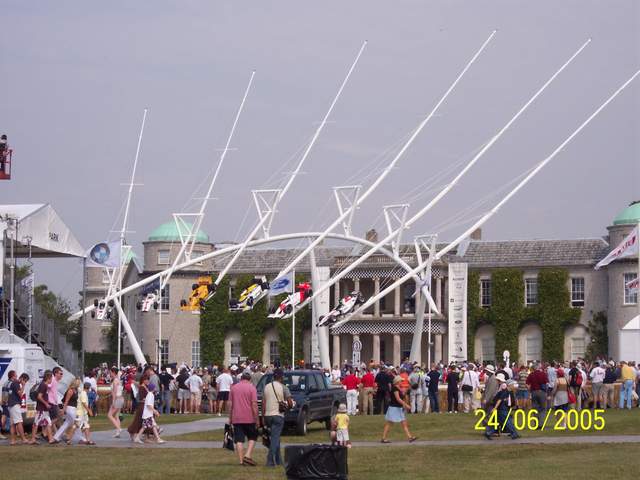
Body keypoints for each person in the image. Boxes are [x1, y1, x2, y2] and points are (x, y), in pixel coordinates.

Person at [262, 369, 293, 467]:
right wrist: (289, 407)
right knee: (275, 439)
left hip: (268, 415)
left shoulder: (266, 386)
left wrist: (263, 416)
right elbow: (290, 402)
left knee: (276, 437)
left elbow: (263, 403)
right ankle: (270, 460)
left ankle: (278, 460)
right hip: (278, 415)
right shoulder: (283, 387)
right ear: (282, 377)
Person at [228, 371, 259, 466]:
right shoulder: (252, 388)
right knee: (253, 437)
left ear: (241, 378)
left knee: (239, 440)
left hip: (237, 417)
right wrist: (257, 418)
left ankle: (241, 461)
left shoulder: (234, 388)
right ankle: (247, 455)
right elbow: (254, 404)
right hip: (249, 417)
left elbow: (230, 404)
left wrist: (230, 417)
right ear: (250, 379)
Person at [380, 376, 416, 443]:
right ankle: (383, 438)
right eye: (401, 381)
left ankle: (410, 437)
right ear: (397, 381)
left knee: (404, 423)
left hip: (399, 408)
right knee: (389, 423)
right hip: (394, 408)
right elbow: (398, 399)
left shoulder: (398, 388)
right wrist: (406, 405)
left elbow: (402, 396)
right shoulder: (395, 388)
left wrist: (407, 390)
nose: (401, 382)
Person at [484, 374, 519, 440]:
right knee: (507, 421)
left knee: (498, 422)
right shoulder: (505, 392)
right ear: (510, 385)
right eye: (513, 385)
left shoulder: (508, 391)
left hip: (501, 409)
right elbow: (499, 400)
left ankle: (488, 433)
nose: (514, 386)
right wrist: (495, 408)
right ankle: (514, 433)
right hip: (502, 409)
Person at [7, 372, 32, 445]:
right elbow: (20, 394)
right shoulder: (16, 383)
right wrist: (23, 386)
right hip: (15, 405)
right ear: (22, 378)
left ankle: (12, 440)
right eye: (25, 381)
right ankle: (23, 439)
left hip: (11, 405)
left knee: (13, 424)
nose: (25, 382)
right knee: (19, 422)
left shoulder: (12, 383)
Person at [53, 379, 81, 444]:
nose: (79, 384)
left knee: (66, 424)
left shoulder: (76, 390)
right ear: (75, 383)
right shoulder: (70, 391)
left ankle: (56, 437)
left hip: (74, 409)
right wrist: (63, 410)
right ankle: (75, 438)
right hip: (70, 409)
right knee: (75, 423)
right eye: (78, 383)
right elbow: (66, 401)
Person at [32, 371, 55, 444]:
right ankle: (33, 439)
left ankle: (51, 439)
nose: (52, 380)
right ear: (48, 378)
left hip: (45, 409)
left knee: (48, 423)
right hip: (41, 409)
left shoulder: (45, 385)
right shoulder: (43, 385)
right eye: (51, 378)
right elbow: (39, 396)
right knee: (36, 423)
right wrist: (46, 404)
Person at [127, 375, 149, 441]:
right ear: (143, 380)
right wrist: (148, 399)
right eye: (146, 379)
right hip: (142, 406)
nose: (147, 381)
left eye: (148, 379)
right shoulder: (142, 387)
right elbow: (141, 398)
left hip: (145, 406)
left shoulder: (145, 387)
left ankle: (145, 434)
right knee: (138, 421)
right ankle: (132, 432)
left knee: (141, 421)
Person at [107, 367, 124, 437]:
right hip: (120, 399)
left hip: (117, 399)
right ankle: (118, 433)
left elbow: (115, 392)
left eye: (110, 372)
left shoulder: (115, 381)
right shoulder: (118, 380)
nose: (110, 374)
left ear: (113, 372)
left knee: (109, 415)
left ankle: (119, 428)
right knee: (117, 416)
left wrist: (113, 401)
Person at [49, 367, 64, 433]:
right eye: (60, 374)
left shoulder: (55, 381)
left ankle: (56, 433)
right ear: (56, 374)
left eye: (62, 374)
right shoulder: (53, 380)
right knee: (57, 418)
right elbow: (47, 387)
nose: (61, 375)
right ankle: (46, 431)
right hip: (51, 402)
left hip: (54, 403)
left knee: (55, 418)